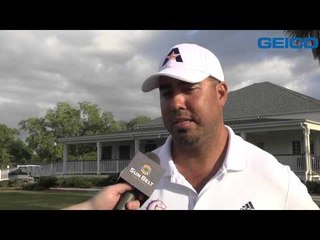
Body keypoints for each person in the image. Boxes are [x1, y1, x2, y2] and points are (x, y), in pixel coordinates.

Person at [66, 43, 319, 210]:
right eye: (166, 93)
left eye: (189, 89)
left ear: (220, 93)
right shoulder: (141, 175)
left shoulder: (275, 178)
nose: (176, 102)